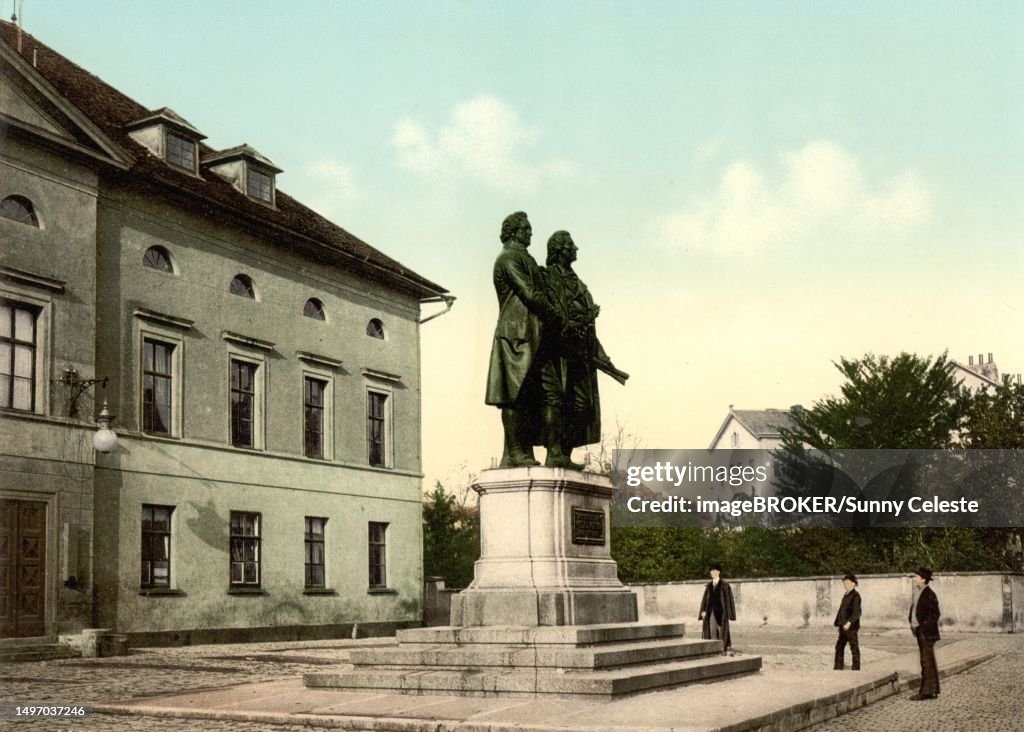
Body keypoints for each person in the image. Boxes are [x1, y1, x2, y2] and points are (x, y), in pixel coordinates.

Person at [537, 231, 628, 469]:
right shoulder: (545, 278)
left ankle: (564, 453)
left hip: (581, 356)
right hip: (558, 353)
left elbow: (590, 328)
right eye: (570, 245)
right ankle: (554, 452)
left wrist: (604, 358)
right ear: (558, 250)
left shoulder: (580, 285)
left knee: (581, 405)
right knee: (557, 401)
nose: (576, 248)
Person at [485, 212, 562, 468]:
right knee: (513, 395)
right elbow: (530, 294)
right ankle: (516, 452)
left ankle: (555, 452)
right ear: (513, 231)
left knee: (550, 394)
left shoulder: (525, 258)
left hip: (536, 337)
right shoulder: (508, 258)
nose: (530, 233)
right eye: (526, 229)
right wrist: (555, 314)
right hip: (516, 336)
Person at [908, 566, 941, 700]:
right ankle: (932, 689)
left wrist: (922, 628)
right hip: (921, 632)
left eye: (916, 576)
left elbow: (935, 615)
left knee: (926, 661)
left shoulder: (929, 594)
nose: (914, 578)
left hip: (926, 633)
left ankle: (926, 692)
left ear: (923, 579)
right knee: (928, 661)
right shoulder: (919, 592)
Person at [698, 563, 736, 654]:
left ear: (718, 572)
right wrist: (703, 611)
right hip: (711, 612)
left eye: (714, 571)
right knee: (712, 631)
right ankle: (714, 650)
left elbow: (728, 600)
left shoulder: (725, 585)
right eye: (711, 571)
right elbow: (705, 600)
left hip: (722, 612)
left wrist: (729, 614)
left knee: (722, 631)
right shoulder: (709, 586)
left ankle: (722, 649)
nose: (712, 573)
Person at [833, 573, 861, 670]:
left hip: (851, 627)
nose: (846, 585)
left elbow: (857, 612)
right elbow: (841, 610)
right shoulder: (846, 595)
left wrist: (849, 623)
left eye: (848, 583)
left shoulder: (856, 596)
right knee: (839, 647)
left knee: (854, 648)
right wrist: (838, 623)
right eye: (844, 583)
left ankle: (856, 669)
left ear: (854, 583)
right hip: (843, 626)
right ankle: (838, 668)